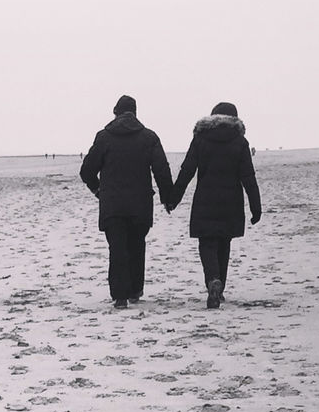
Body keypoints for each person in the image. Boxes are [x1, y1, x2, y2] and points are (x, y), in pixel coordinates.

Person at [80, 95, 174, 307]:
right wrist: (168, 198)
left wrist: (98, 190)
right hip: (140, 204)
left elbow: (86, 171)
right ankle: (135, 290)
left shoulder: (104, 137)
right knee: (137, 245)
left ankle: (120, 296)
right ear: (135, 112)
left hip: (112, 203)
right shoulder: (149, 137)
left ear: (115, 112)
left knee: (117, 248)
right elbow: (161, 170)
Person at [170, 101, 261, 307]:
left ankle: (212, 279)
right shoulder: (240, 142)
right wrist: (256, 207)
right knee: (224, 243)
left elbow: (187, 171)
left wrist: (173, 198)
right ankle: (219, 291)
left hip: (205, 200)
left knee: (207, 243)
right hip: (231, 202)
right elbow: (248, 177)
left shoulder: (201, 139)